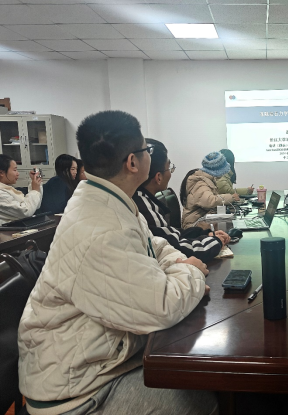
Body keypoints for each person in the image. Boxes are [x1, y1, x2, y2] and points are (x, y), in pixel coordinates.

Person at [18, 110, 217, 415]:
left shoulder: (107, 199)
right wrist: (190, 270)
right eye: (146, 149)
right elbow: (163, 306)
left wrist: (179, 264)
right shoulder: (100, 226)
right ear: (133, 162)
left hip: (95, 361)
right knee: (198, 397)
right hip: (74, 391)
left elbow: (156, 246)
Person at [133, 138, 231, 263]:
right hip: (194, 225)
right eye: (169, 168)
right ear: (158, 177)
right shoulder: (143, 206)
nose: (170, 173)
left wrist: (206, 234)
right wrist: (215, 241)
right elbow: (173, 245)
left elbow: (171, 233)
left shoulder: (144, 199)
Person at [181, 151, 240, 229]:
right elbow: (210, 200)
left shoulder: (207, 179)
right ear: (217, 169)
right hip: (194, 225)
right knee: (232, 226)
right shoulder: (200, 183)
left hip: (201, 219)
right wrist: (231, 197)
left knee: (231, 222)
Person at [0, 154, 42, 224]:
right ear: (1, 173)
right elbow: (25, 211)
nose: (17, 173)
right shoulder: (1, 194)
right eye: (15, 170)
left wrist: (34, 184)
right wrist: (34, 190)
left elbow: (34, 206)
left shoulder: (7, 188)